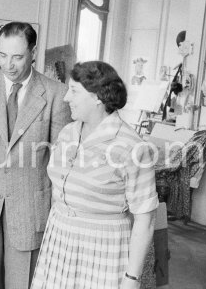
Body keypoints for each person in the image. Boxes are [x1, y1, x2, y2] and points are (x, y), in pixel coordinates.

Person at [0, 22, 71, 289]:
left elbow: (62, 161)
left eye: (18, 57)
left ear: (33, 52)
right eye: (2, 55)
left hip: (30, 209)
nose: (8, 64)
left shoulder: (57, 94)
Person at [31, 61, 158, 289]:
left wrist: (132, 278)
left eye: (74, 91)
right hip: (58, 242)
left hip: (102, 249)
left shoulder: (132, 147)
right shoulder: (68, 133)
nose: (66, 98)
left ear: (98, 97)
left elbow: (145, 220)